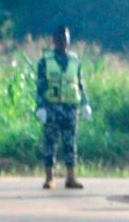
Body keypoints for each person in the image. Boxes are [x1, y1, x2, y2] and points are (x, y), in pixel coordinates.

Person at [35, 25, 91, 189]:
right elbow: (40, 85)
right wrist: (40, 107)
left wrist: (85, 103)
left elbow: (79, 83)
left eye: (65, 39)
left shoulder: (75, 60)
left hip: (70, 107)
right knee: (50, 143)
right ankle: (49, 177)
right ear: (54, 41)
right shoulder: (45, 61)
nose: (63, 42)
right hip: (51, 107)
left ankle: (71, 178)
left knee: (70, 144)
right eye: (60, 39)